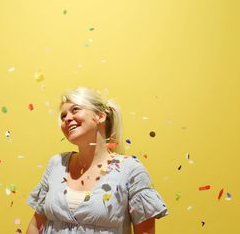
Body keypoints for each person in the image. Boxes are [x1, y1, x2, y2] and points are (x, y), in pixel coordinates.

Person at [26, 87, 168, 234]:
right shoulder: (57, 163)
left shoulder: (131, 170)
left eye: (75, 110)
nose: (67, 118)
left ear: (100, 116)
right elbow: (36, 225)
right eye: (63, 116)